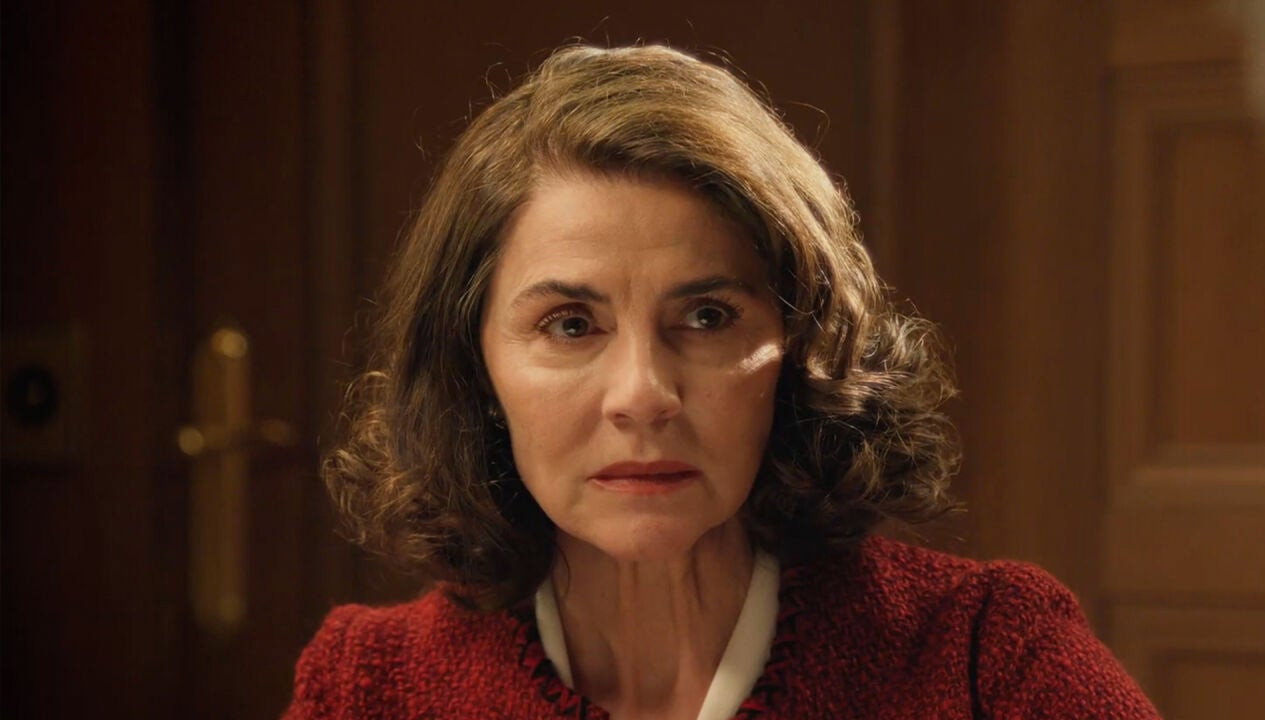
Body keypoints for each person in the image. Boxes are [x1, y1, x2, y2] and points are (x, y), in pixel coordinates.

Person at [284, 44, 1159, 719]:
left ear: (804, 346)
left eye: (706, 317)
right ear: (473, 366)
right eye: (571, 325)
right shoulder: (369, 685)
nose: (641, 395)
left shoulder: (984, 656)